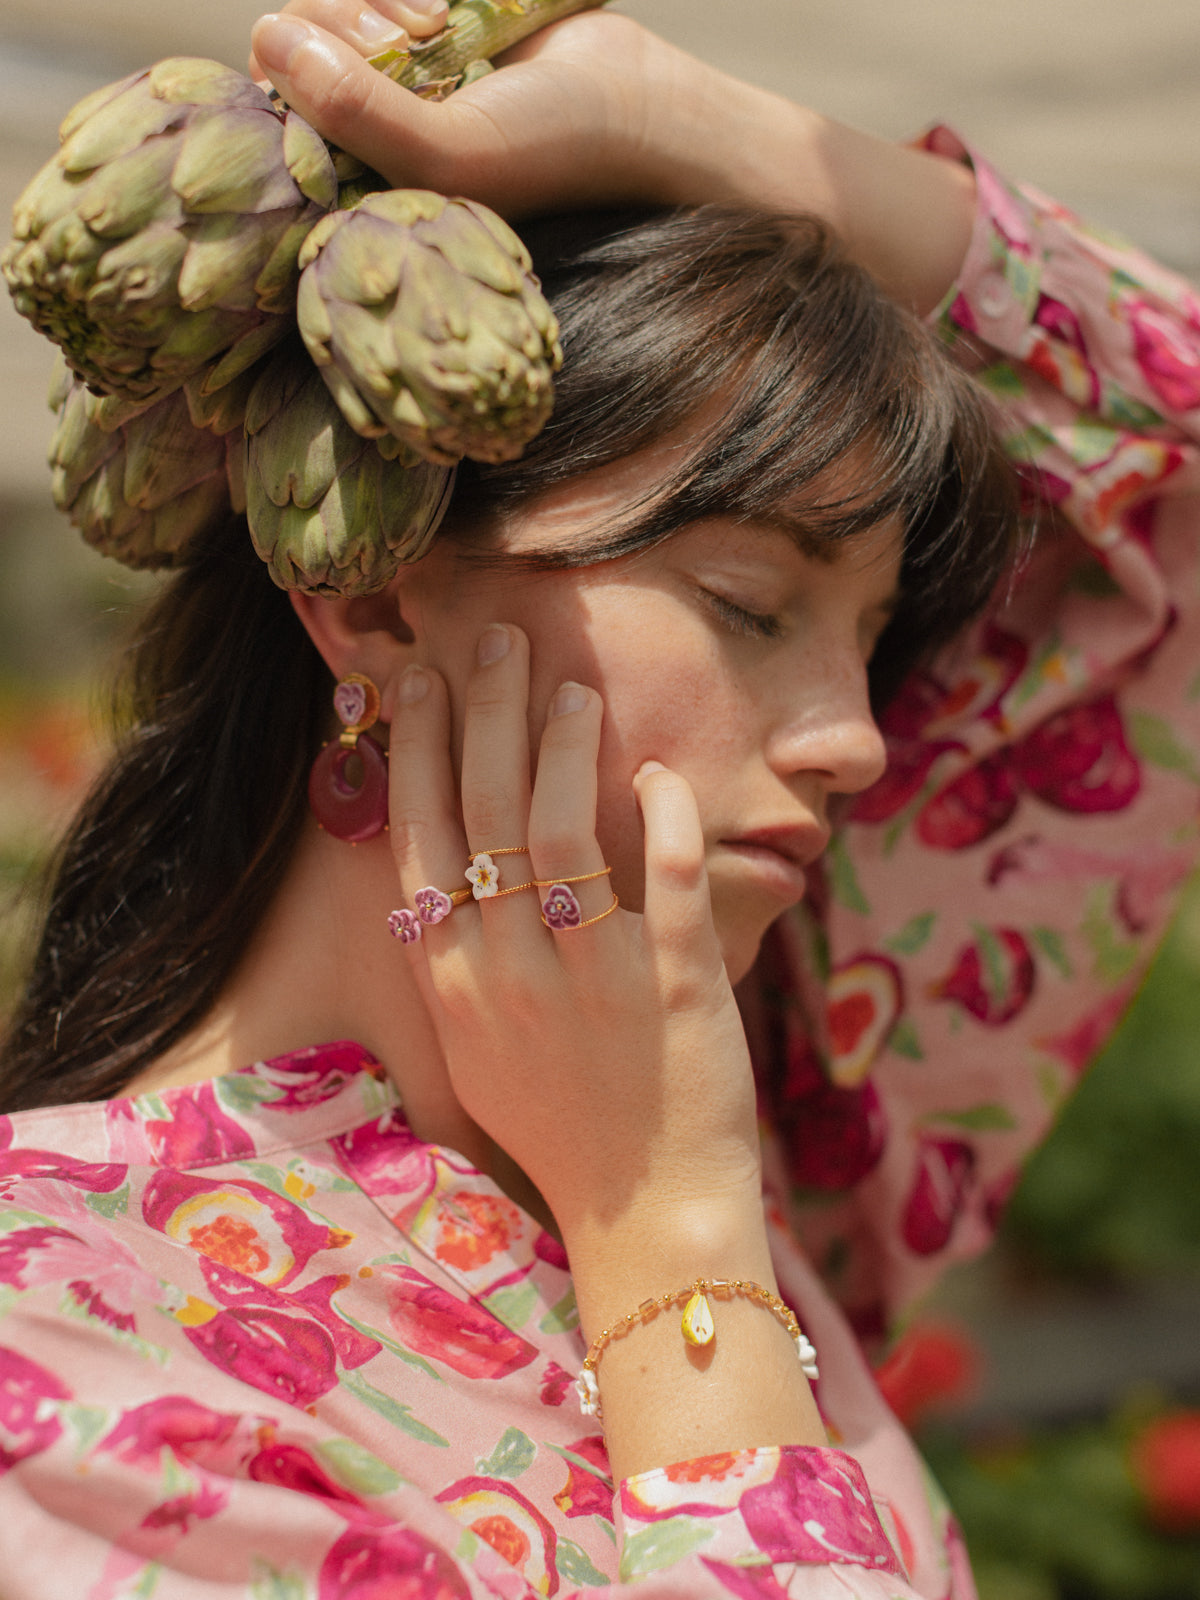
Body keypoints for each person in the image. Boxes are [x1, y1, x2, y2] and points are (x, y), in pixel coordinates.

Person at [1, 4, 1198, 1596]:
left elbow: (1167, 485)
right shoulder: (63, 1345)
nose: (858, 741)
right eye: (749, 603)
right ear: (370, 599)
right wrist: (673, 1234)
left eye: (872, 638)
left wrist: (696, 127)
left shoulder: (757, 1068)